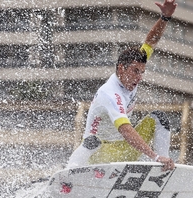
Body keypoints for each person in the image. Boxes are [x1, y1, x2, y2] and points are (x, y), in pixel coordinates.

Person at [66, 0, 177, 171]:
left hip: (126, 149)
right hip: (100, 155)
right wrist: (152, 154)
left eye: (142, 72)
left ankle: (162, 166)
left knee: (158, 118)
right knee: (91, 140)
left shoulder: (133, 72)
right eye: (135, 71)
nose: (139, 78)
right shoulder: (110, 93)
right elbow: (125, 130)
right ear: (121, 68)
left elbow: (150, 41)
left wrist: (165, 17)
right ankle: (69, 171)